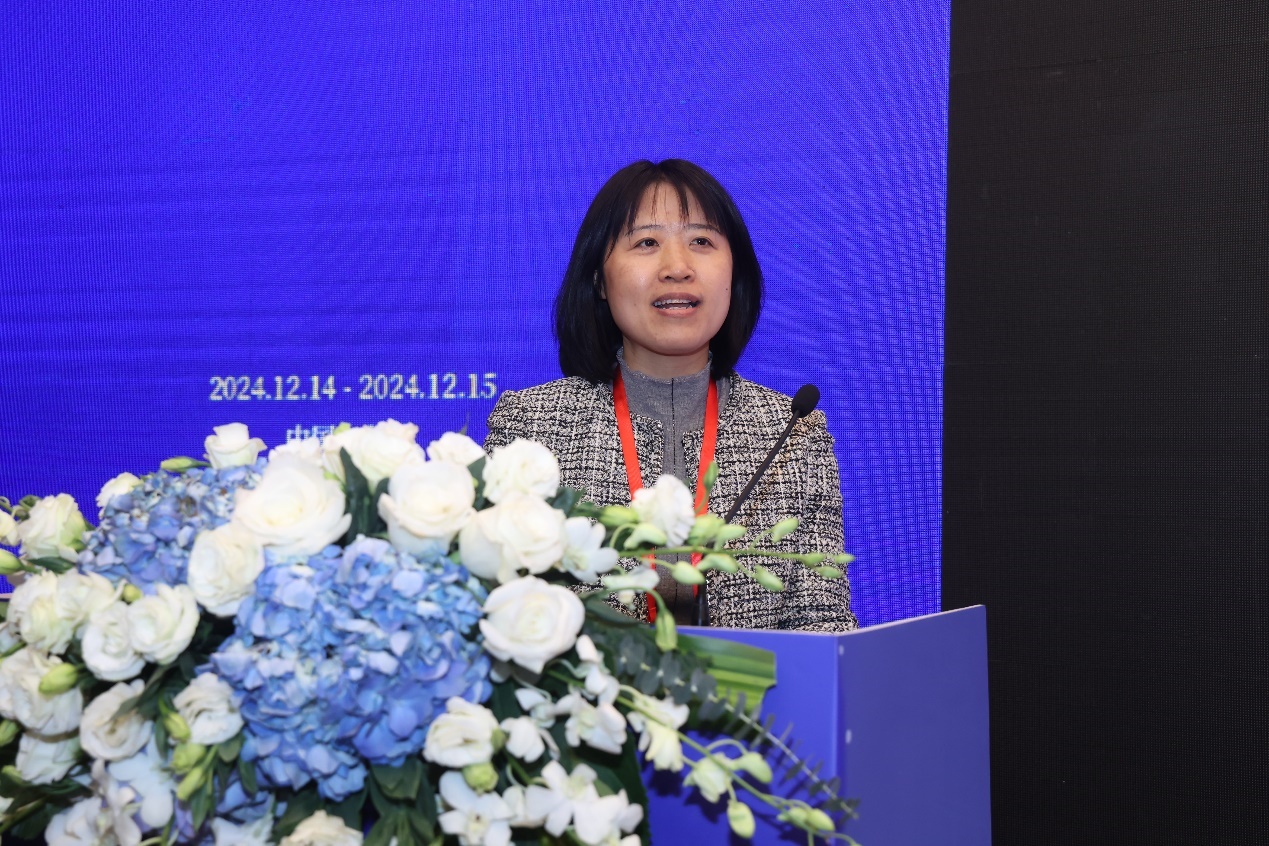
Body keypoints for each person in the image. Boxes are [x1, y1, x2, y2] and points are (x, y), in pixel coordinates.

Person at [485, 159, 857, 632]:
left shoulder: (792, 432)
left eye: (701, 242)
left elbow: (823, 627)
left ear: (734, 273)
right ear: (599, 280)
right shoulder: (532, 428)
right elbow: (500, 611)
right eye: (646, 242)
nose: (678, 268)